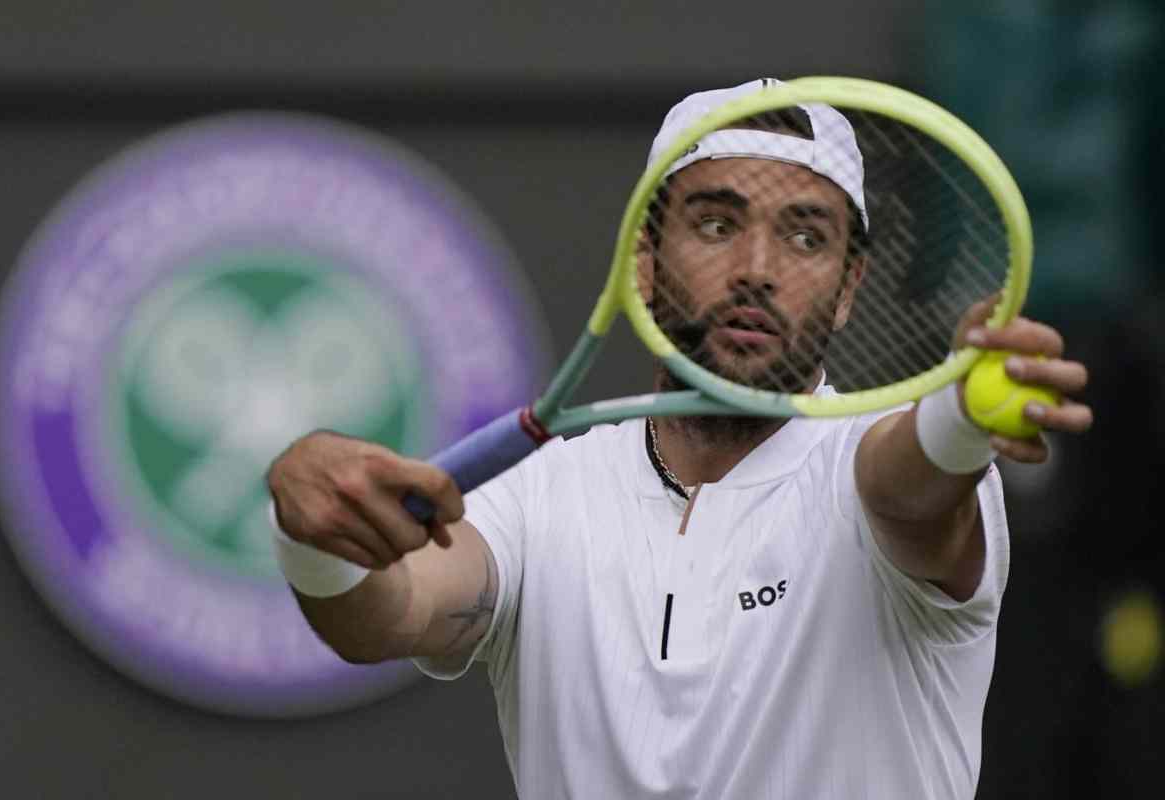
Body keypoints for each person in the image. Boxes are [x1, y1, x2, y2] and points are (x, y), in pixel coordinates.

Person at [267, 79, 1093, 799]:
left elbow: (907, 494)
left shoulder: (879, 465)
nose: (758, 268)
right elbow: (386, 615)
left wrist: (958, 419)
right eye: (715, 224)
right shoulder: (541, 494)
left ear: (849, 290)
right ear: (646, 263)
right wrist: (313, 537)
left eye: (807, 235)